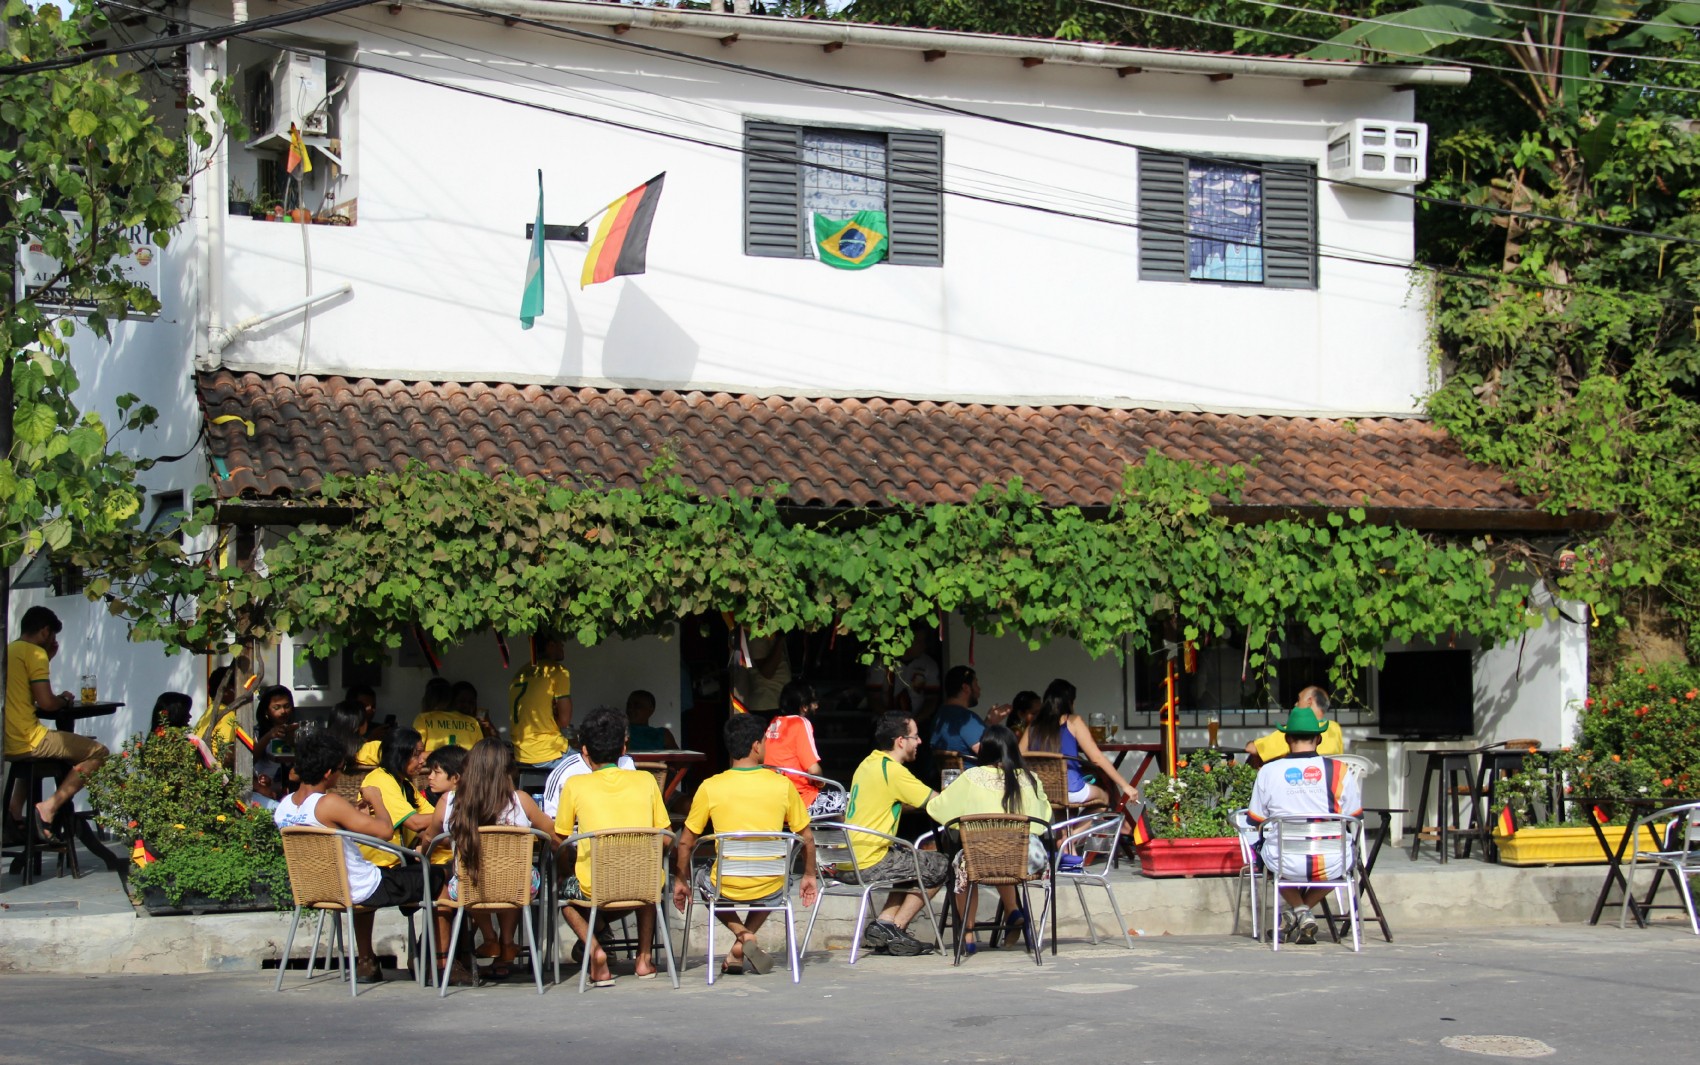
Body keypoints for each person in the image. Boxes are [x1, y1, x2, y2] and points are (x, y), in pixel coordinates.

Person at [274, 727, 443, 983]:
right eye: (341, 769)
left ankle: (366, 959)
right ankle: (440, 961)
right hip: (363, 888)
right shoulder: (329, 803)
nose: (341, 776)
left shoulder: (284, 806)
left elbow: (331, 832)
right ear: (329, 772)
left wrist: (357, 815)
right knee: (439, 875)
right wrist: (376, 800)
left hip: (319, 888)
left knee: (386, 873)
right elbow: (385, 830)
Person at [673, 713, 819, 975]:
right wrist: (809, 874)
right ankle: (744, 938)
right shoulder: (783, 785)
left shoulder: (710, 787)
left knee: (702, 878)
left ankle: (742, 936)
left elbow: (685, 844)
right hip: (771, 882)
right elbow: (807, 837)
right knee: (778, 880)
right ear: (756, 745)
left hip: (727, 884)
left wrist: (681, 880)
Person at [552, 706, 668, 984]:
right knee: (650, 880)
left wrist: (566, 868)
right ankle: (644, 959)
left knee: (562, 893)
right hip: (643, 883)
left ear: (585, 752)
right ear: (624, 746)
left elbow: (560, 839)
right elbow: (665, 836)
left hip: (595, 885)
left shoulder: (575, 784)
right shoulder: (646, 780)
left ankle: (595, 951)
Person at [925, 724, 1051, 954]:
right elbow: (1045, 819)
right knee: (1006, 851)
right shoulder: (1031, 778)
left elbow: (936, 809)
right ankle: (1013, 912)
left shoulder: (971, 777)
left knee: (962, 864)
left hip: (982, 861)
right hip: (1025, 862)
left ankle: (969, 933)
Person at [438, 740, 556, 982]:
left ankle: (490, 938)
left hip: (469, 888)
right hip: (518, 887)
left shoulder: (450, 801)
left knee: (463, 876)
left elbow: (430, 838)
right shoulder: (521, 800)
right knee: (515, 873)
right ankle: (507, 943)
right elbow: (553, 834)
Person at [1246, 706, 1363, 945]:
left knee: (1263, 854)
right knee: (1345, 858)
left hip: (1285, 860)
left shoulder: (1268, 771)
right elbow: (1355, 818)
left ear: (1287, 739)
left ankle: (1297, 911)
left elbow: (1256, 820)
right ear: (1318, 739)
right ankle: (1302, 911)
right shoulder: (1341, 771)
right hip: (1332, 861)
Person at [842, 710, 947, 956]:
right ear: (901, 741)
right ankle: (896, 928)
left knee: (912, 861)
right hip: (870, 860)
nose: (920, 742)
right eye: (915, 736)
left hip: (847, 858)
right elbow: (937, 803)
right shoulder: (894, 771)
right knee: (941, 865)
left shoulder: (868, 763)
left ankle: (886, 924)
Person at [5, 607, 108, 833]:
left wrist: (48, 659)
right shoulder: (35, 653)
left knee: (36, 761)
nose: (53, 641)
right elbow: (47, 704)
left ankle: (14, 810)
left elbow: (24, 693)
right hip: (30, 739)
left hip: (10, 741)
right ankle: (49, 807)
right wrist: (63, 699)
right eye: (52, 636)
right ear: (44, 632)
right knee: (99, 752)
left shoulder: (11, 650)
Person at [1019, 678, 1138, 810]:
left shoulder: (1033, 726)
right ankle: (1077, 831)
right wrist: (1125, 786)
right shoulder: (1073, 721)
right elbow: (1096, 758)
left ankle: (1067, 831)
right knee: (1105, 797)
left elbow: (1018, 755)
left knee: (1062, 814)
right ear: (1069, 702)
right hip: (1070, 790)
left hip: (1040, 790)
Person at [358, 728, 438, 872]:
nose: (422, 760)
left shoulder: (404, 784)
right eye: (416, 754)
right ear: (399, 755)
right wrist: (455, 814)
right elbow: (415, 822)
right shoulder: (381, 779)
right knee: (440, 875)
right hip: (378, 867)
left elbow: (432, 816)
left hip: (399, 861)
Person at [763, 680, 843, 818]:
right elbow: (814, 770)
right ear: (804, 706)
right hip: (799, 801)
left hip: (773, 799)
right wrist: (821, 782)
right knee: (843, 801)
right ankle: (842, 840)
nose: (817, 706)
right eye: (814, 702)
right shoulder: (801, 723)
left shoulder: (775, 722)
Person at [510, 632, 573, 768]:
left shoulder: (519, 673)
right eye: (560, 641)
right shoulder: (558, 671)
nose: (562, 645)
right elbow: (564, 721)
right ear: (550, 645)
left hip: (521, 752)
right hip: (548, 752)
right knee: (592, 769)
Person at [1245, 686, 1344, 767]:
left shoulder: (1295, 731)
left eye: (1299, 699)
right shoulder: (1334, 728)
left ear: (1309, 702)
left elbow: (1252, 748)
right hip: (1329, 783)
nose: (1296, 704)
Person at [929, 666, 1012, 757]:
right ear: (966, 688)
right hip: (970, 770)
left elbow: (968, 736)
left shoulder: (940, 715)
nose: (979, 689)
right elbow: (987, 753)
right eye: (976, 684)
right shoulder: (965, 718)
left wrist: (989, 722)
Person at [414, 676, 488, 752]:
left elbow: (415, 750)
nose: (467, 705)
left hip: (434, 762)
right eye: (462, 701)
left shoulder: (423, 719)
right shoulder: (473, 723)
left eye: (471, 702)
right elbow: (480, 754)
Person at [731, 632, 791, 714]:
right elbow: (767, 672)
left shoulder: (771, 634)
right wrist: (780, 640)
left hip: (776, 702)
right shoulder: (758, 635)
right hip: (767, 704)